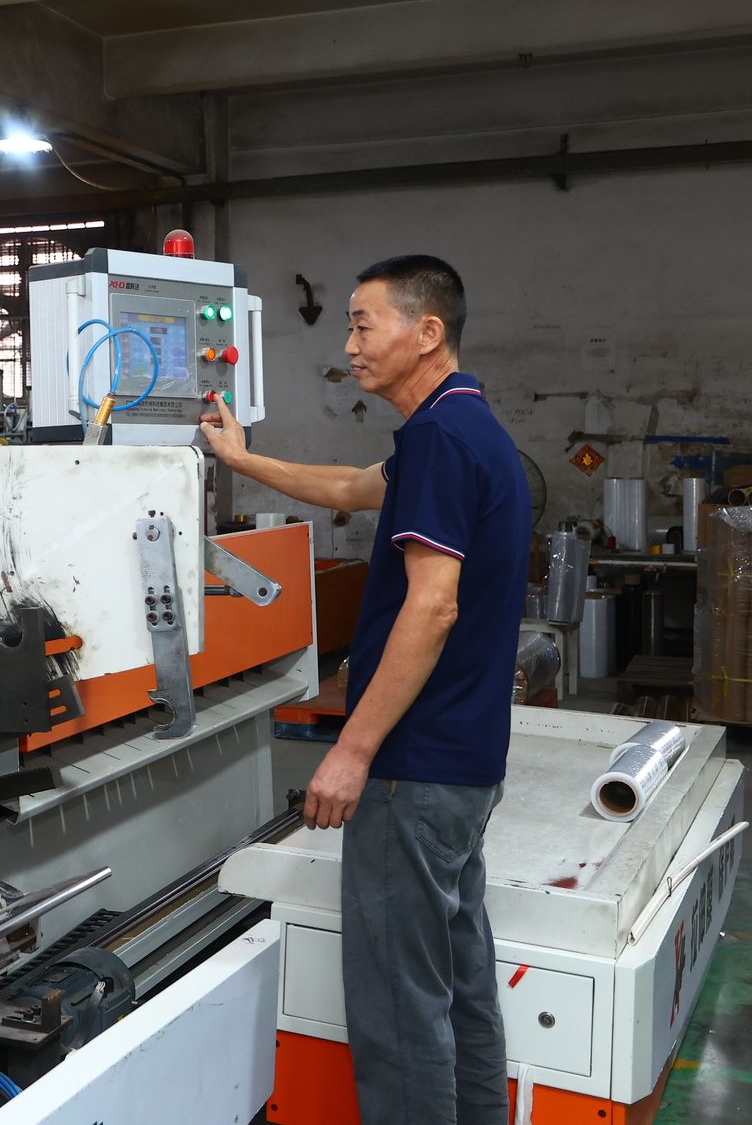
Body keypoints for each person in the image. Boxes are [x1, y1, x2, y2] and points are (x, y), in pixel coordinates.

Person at [199, 255, 528, 1125]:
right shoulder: (461, 429)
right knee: (458, 987)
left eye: (363, 324)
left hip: (412, 769)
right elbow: (350, 488)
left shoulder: (442, 440)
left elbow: (433, 605)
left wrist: (351, 750)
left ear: (428, 332)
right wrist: (242, 458)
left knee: (398, 1009)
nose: (349, 345)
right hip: (463, 764)